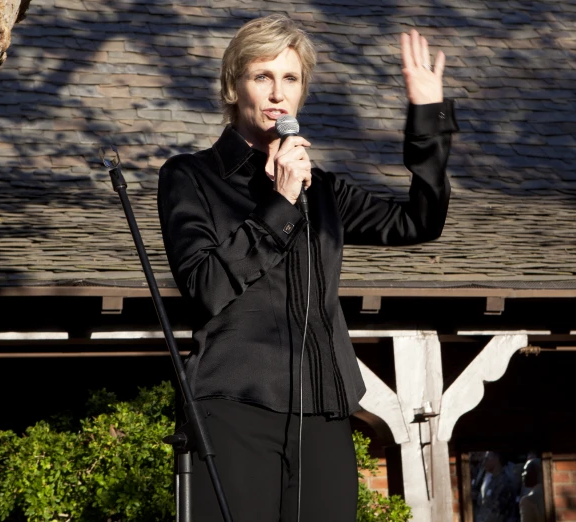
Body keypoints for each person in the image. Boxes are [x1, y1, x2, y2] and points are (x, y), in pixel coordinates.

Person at [157, 14, 457, 521]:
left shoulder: (325, 192)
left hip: (322, 408)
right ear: (234, 86)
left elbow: (420, 222)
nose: (278, 93)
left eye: (290, 79)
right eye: (263, 76)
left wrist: (427, 118)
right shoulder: (191, 177)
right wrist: (278, 201)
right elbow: (204, 286)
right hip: (234, 406)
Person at [474, 451, 516, 522]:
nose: (484, 462)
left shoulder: (504, 482)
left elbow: (498, 512)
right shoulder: (491, 480)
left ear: (496, 459)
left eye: (487, 459)